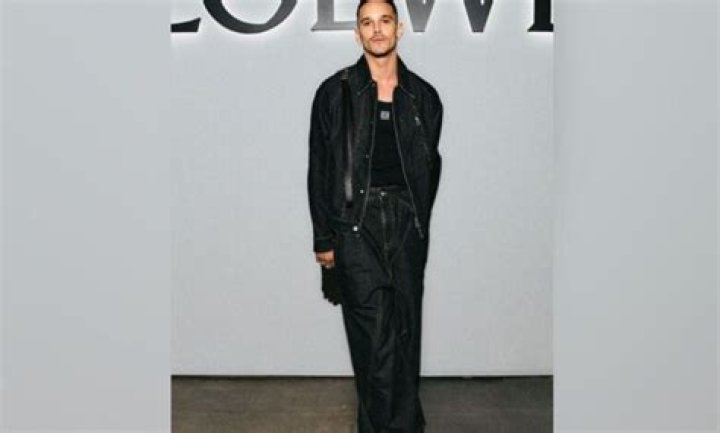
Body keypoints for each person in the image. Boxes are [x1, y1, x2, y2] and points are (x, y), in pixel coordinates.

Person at [307, 1, 443, 431]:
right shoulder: (334, 93)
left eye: (385, 21)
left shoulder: (424, 97)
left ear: (399, 29)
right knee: (373, 340)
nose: (377, 30)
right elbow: (319, 168)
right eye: (367, 23)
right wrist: (324, 239)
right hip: (355, 227)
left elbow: (430, 167)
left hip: (406, 226)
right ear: (357, 34)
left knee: (404, 334)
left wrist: (417, 221)